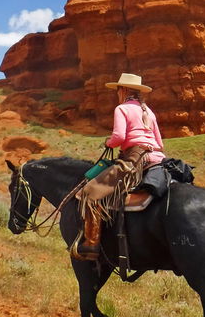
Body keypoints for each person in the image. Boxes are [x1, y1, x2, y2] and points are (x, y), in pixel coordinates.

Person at [71, 72, 166, 261]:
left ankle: (91, 243)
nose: (117, 93)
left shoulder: (122, 109)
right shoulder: (149, 111)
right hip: (158, 159)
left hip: (135, 159)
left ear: (123, 90)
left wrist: (109, 142)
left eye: (117, 90)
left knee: (89, 193)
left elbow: (119, 137)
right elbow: (160, 144)